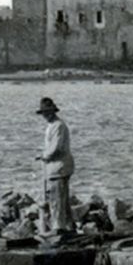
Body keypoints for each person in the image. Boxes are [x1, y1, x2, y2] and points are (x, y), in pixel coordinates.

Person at [34, 97, 74, 236]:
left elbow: (56, 148)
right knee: (60, 199)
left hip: (59, 168)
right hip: (54, 168)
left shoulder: (58, 125)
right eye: (43, 112)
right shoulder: (52, 125)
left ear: (52, 111)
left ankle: (59, 229)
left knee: (57, 199)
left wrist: (44, 155)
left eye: (47, 112)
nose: (45, 115)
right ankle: (68, 227)